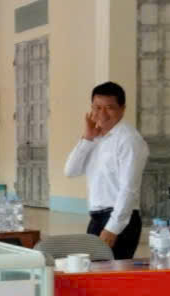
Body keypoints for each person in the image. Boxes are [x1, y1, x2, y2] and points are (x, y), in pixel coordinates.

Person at [63, 82, 149, 259]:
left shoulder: (129, 140)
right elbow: (70, 171)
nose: (102, 114)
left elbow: (129, 188)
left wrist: (112, 228)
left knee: (111, 272)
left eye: (109, 108)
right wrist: (87, 138)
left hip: (120, 220)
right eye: (97, 107)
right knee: (92, 270)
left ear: (122, 109)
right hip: (97, 218)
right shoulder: (95, 137)